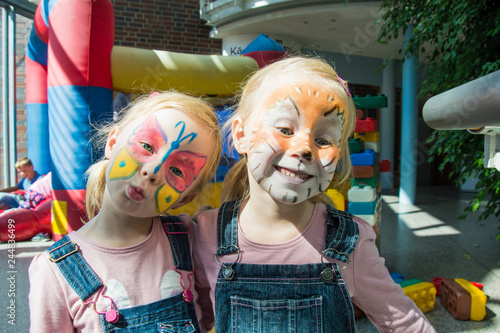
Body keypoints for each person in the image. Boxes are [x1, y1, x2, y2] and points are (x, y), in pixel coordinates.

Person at [192, 57, 436, 332]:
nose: (304, 148)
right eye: (285, 129)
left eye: (323, 140)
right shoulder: (206, 234)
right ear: (241, 135)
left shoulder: (350, 244)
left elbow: (405, 324)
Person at [29, 91, 222, 332]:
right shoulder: (54, 270)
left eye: (178, 170)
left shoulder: (192, 241)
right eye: (146, 146)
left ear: (186, 198)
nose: (153, 171)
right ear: (112, 143)